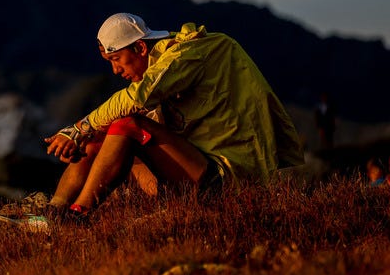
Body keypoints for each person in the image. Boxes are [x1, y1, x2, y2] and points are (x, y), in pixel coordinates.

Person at [36, 12, 305, 217]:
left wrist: (79, 128)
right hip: (189, 171)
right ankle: (53, 213)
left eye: (116, 60)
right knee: (100, 138)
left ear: (140, 48)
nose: (115, 71)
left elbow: (137, 98)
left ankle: (78, 215)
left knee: (127, 124)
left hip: (225, 178)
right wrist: (87, 135)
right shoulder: (162, 70)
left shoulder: (187, 55)